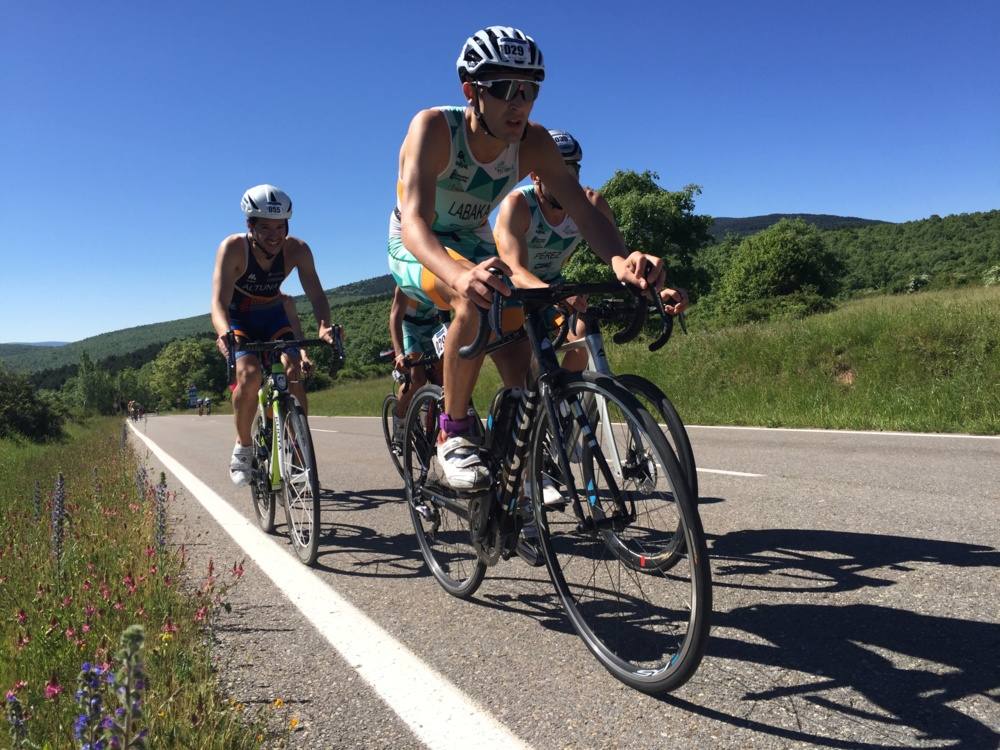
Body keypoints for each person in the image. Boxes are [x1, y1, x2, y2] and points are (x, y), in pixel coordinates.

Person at [388, 25, 673, 490]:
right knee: (473, 300)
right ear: (471, 92)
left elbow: (582, 210)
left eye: (530, 90)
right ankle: (453, 432)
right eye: (504, 90)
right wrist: (458, 277)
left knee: (524, 362)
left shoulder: (535, 143)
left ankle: (514, 466)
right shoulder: (435, 128)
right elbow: (418, 223)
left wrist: (621, 261)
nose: (519, 102)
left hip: (471, 237)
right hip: (414, 238)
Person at [494, 129, 689, 377]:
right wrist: (558, 295)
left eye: (570, 173)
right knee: (519, 376)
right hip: (509, 288)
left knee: (582, 334)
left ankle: (561, 403)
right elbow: (515, 272)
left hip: (553, 286)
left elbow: (622, 260)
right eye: (554, 173)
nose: (563, 181)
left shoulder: (591, 203)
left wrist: (655, 290)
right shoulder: (518, 205)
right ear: (535, 176)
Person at [211, 184, 337, 486]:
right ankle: (243, 446)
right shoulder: (232, 248)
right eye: (265, 227)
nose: (273, 234)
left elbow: (317, 295)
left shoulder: (298, 250)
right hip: (239, 317)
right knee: (249, 375)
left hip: (273, 316)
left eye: (279, 226)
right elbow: (217, 302)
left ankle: (297, 444)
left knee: (294, 369)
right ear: (249, 225)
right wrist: (224, 332)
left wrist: (323, 326)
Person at [387, 286, 445, 448]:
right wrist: (399, 354)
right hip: (409, 327)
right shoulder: (406, 280)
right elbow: (395, 316)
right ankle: (400, 419)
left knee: (446, 378)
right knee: (417, 379)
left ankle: (435, 417)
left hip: (433, 325)